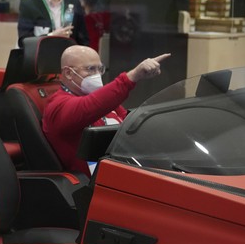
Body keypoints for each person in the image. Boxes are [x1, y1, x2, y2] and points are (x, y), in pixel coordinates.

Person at [42, 45, 170, 175]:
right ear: (68, 73)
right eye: (90, 69)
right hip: (92, 184)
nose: (97, 75)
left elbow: (128, 123)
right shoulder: (57, 105)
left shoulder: (102, 100)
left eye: (99, 69)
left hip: (124, 167)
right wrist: (132, 76)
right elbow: (88, 106)